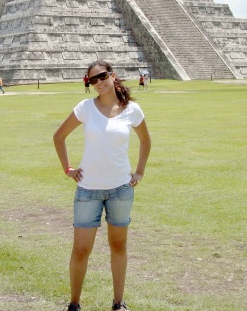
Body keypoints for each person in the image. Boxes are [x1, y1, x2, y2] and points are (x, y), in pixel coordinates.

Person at [53, 60, 151, 311]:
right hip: (88, 190)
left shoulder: (132, 110)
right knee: (81, 250)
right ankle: (74, 304)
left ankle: (118, 303)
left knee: (118, 246)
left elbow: (146, 141)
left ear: (112, 75)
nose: (99, 82)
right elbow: (59, 136)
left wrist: (139, 171)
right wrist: (68, 169)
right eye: (92, 80)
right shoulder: (85, 108)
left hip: (121, 188)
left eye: (102, 76)